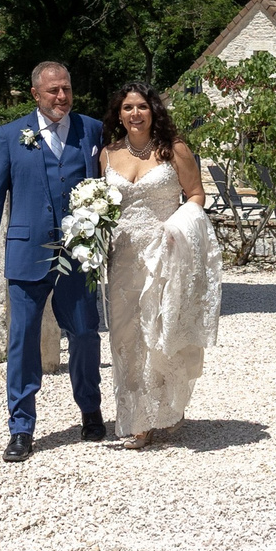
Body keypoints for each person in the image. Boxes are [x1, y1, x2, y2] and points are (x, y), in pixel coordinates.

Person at [0, 60, 106, 461]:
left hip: (77, 254)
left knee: (85, 333)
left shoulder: (92, 130)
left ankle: (91, 409)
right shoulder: (10, 136)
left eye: (66, 88)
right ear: (36, 94)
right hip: (27, 252)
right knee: (23, 341)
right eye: (53, 91)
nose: (61, 96)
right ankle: (21, 428)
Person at [99, 80, 220, 449]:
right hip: (122, 258)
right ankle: (136, 418)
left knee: (158, 334)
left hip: (165, 254)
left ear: (153, 111)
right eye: (127, 108)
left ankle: (163, 411)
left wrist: (178, 226)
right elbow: (101, 204)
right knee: (125, 336)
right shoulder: (107, 153)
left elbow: (196, 194)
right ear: (119, 114)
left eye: (142, 107)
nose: (135, 114)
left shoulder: (174, 149)